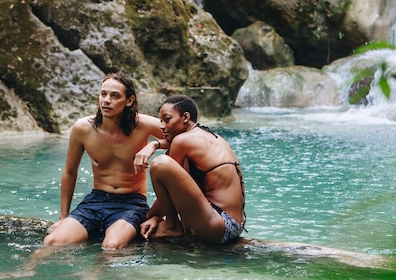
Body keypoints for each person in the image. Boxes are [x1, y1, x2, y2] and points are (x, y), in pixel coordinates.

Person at [43, 71, 164, 249]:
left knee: (112, 245)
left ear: (129, 100)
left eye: (115, 96)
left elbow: (186, 136)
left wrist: (154, 145)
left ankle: (93, 275)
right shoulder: (83, 128)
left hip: (131, 203)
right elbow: (70, 172)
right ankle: (26, 270)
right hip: (96, 200)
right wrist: (63, 216)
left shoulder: (143, 125)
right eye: (103, 94)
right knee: (51, 242)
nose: (107, 100)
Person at [137, 95, 245, 244]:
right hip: (235, 226)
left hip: (219, 226)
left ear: (185, 117)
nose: (161, 126)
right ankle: (172, 224)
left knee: (160, 164)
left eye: (167, 119)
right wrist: (154, 144)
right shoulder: (210, 136)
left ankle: (172, 225)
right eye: (160, 120)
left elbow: (168, 185)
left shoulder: (182, 141)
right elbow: (180, 188)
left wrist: (147, 218)